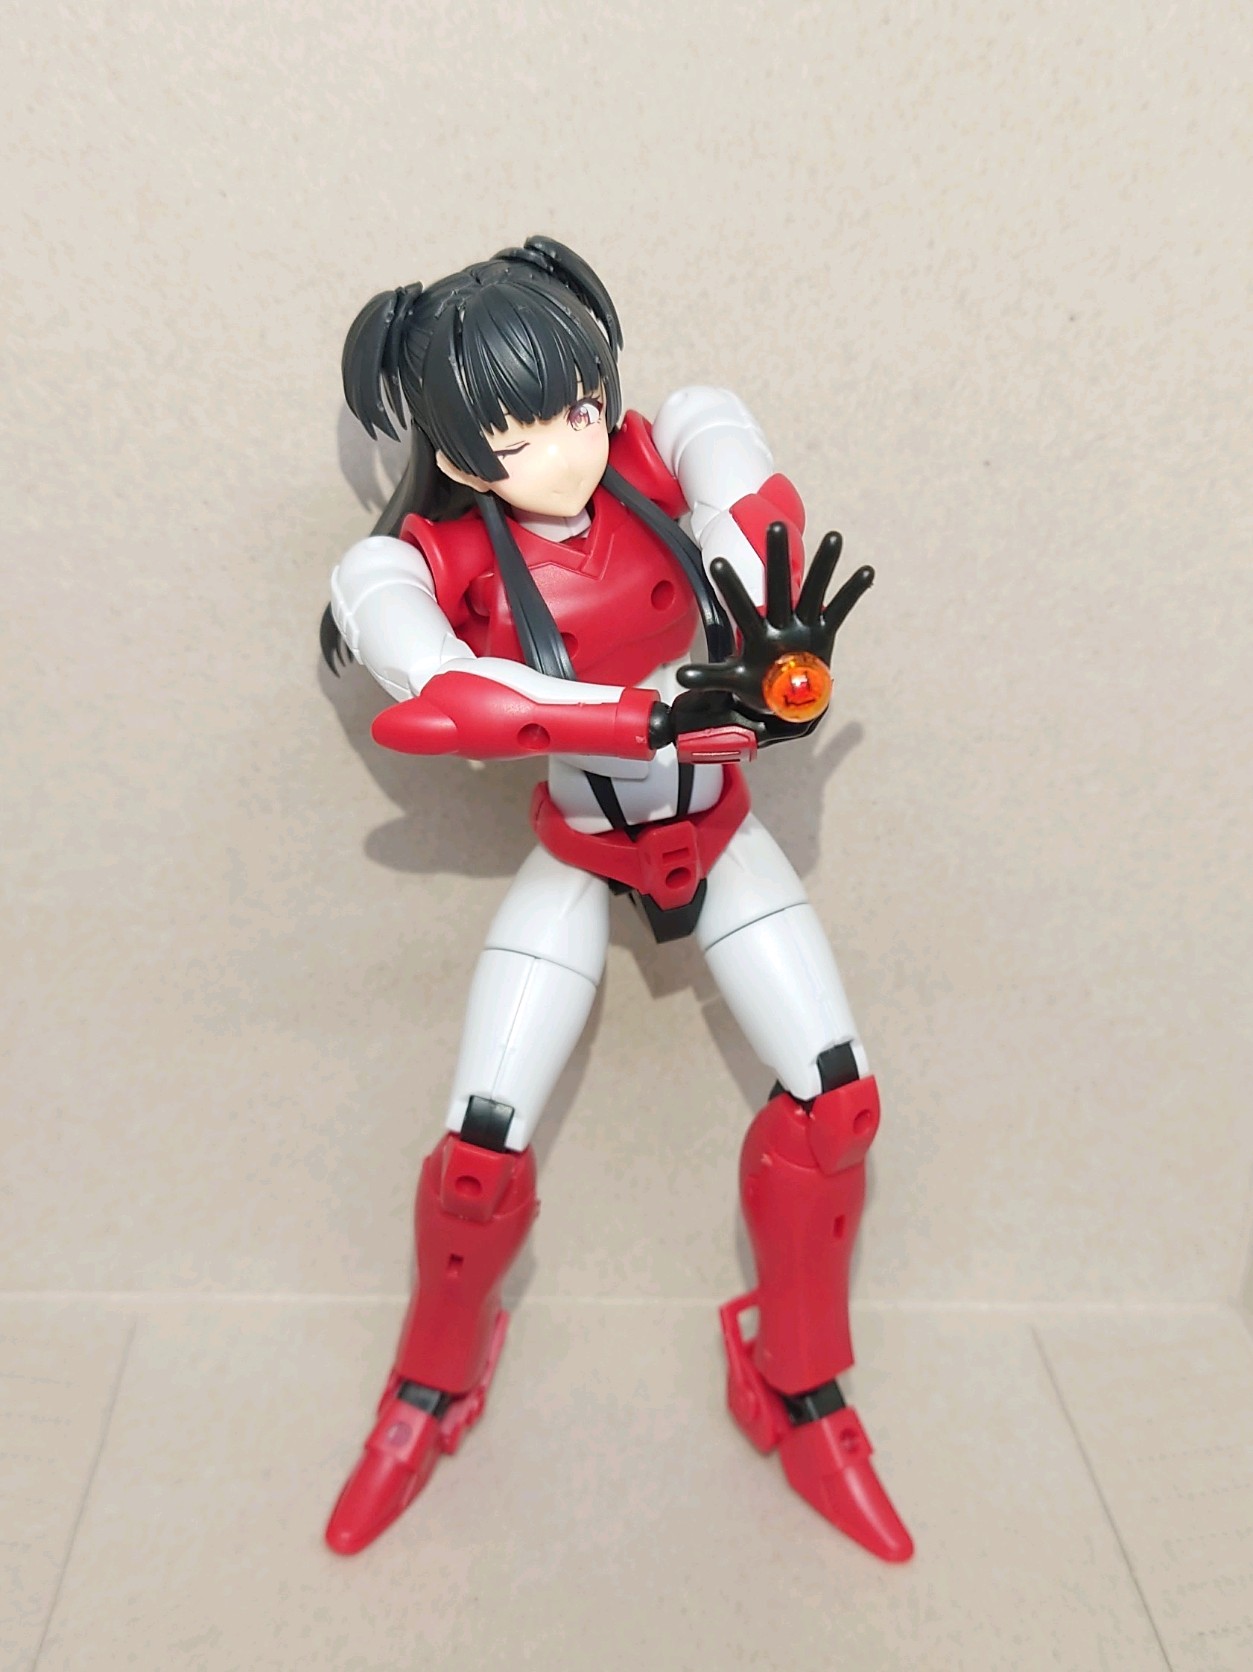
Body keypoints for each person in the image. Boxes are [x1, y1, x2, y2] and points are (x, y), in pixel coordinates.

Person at [321, 236, 912, 1562]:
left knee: (836, 1104)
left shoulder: (659, 450)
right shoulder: (418, 558)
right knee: (479, 1150)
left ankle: (800, 1390)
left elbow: (734, 467)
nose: (570, 446)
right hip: (583, 854)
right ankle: (428, 1386)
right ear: (461, 453)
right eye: (521, 435)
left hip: (718, 833)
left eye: (581, 406)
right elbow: (446, 693)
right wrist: (641, 717)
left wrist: (766, 605)